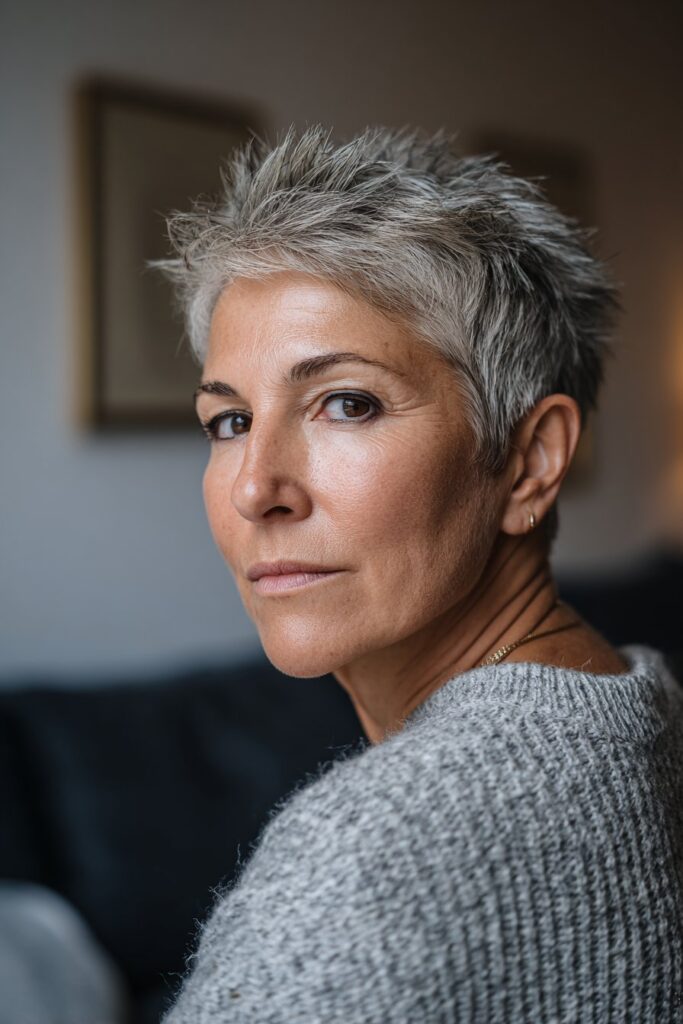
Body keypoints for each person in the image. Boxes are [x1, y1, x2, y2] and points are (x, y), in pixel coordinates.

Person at [152, 126, 683, 1022]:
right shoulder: (640, 701)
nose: (254, 489)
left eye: (346, 404)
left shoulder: (356, 863)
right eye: (230, 421)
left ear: (529, 462)